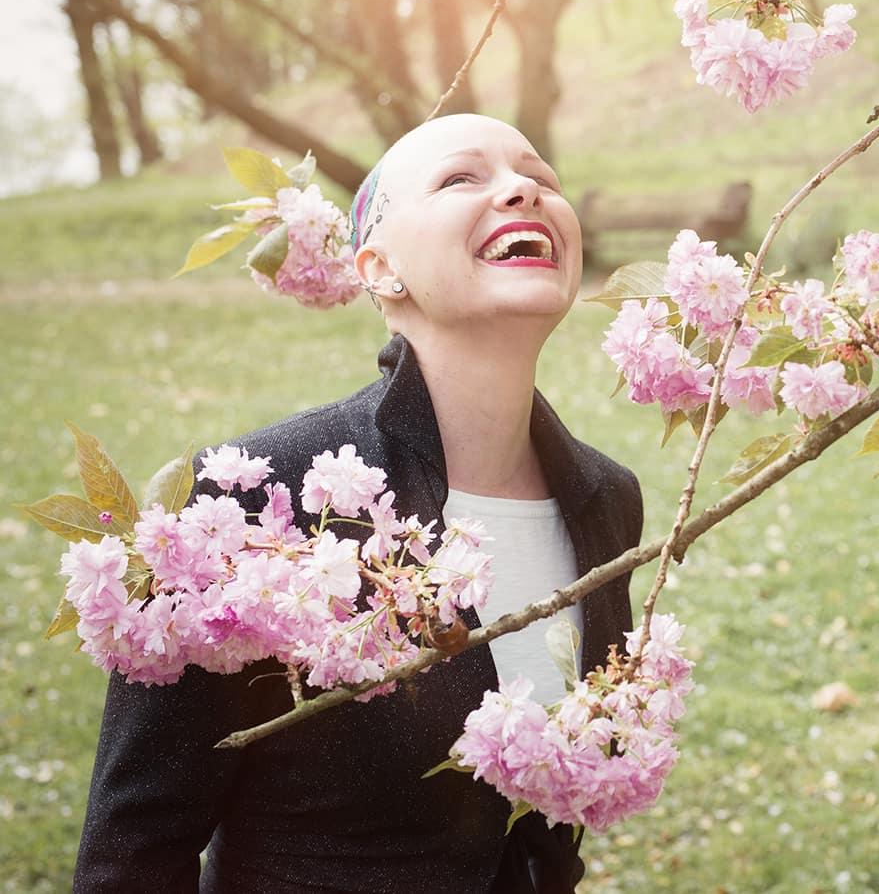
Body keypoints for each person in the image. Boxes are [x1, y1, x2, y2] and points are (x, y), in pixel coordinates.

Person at [73, 114, 643, 893]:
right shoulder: (247, 500)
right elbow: (134, 851)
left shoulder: (606, 501)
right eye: (460, 178)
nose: (523, 189)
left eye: (540, 176)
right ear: (379, 268)